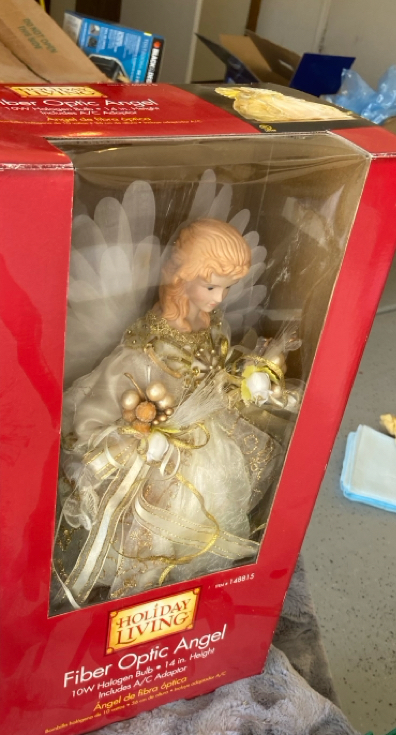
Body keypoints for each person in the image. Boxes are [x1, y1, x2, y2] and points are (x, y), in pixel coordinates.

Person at [51, 217, 294, 613]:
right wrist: (136, 439)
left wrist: (246, 379)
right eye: (211, 286)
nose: (219, 298)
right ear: (182, 276)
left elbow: (215, 371)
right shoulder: (149, 348)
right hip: (159, 453)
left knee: (214, 505)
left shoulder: (212, 322)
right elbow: (103, 404)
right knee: (152, 527)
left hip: (206, 439)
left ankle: (182, 588)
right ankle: (139, 593)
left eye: (226, 288)